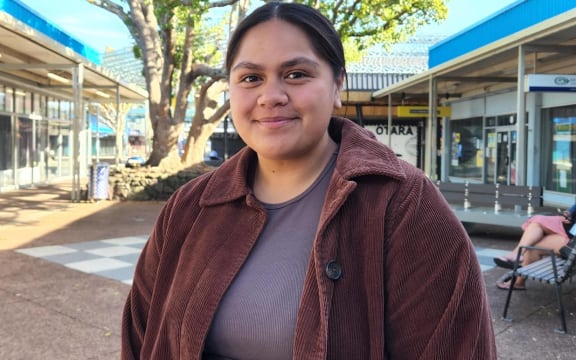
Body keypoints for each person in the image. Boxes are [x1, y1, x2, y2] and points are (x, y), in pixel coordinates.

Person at [121, 2, 496, 359]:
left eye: (296, 75)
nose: (271, 96)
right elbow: (140, 338)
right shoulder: (189, 208)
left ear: (337, 87)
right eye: (251, 78)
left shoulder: (403, 206)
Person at [494, 203, 576, 290]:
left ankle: (518, 280)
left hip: (573, 239)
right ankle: (516, 255)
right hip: (572, 228)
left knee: (533, 246)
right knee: (537, 222)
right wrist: (570, 213)